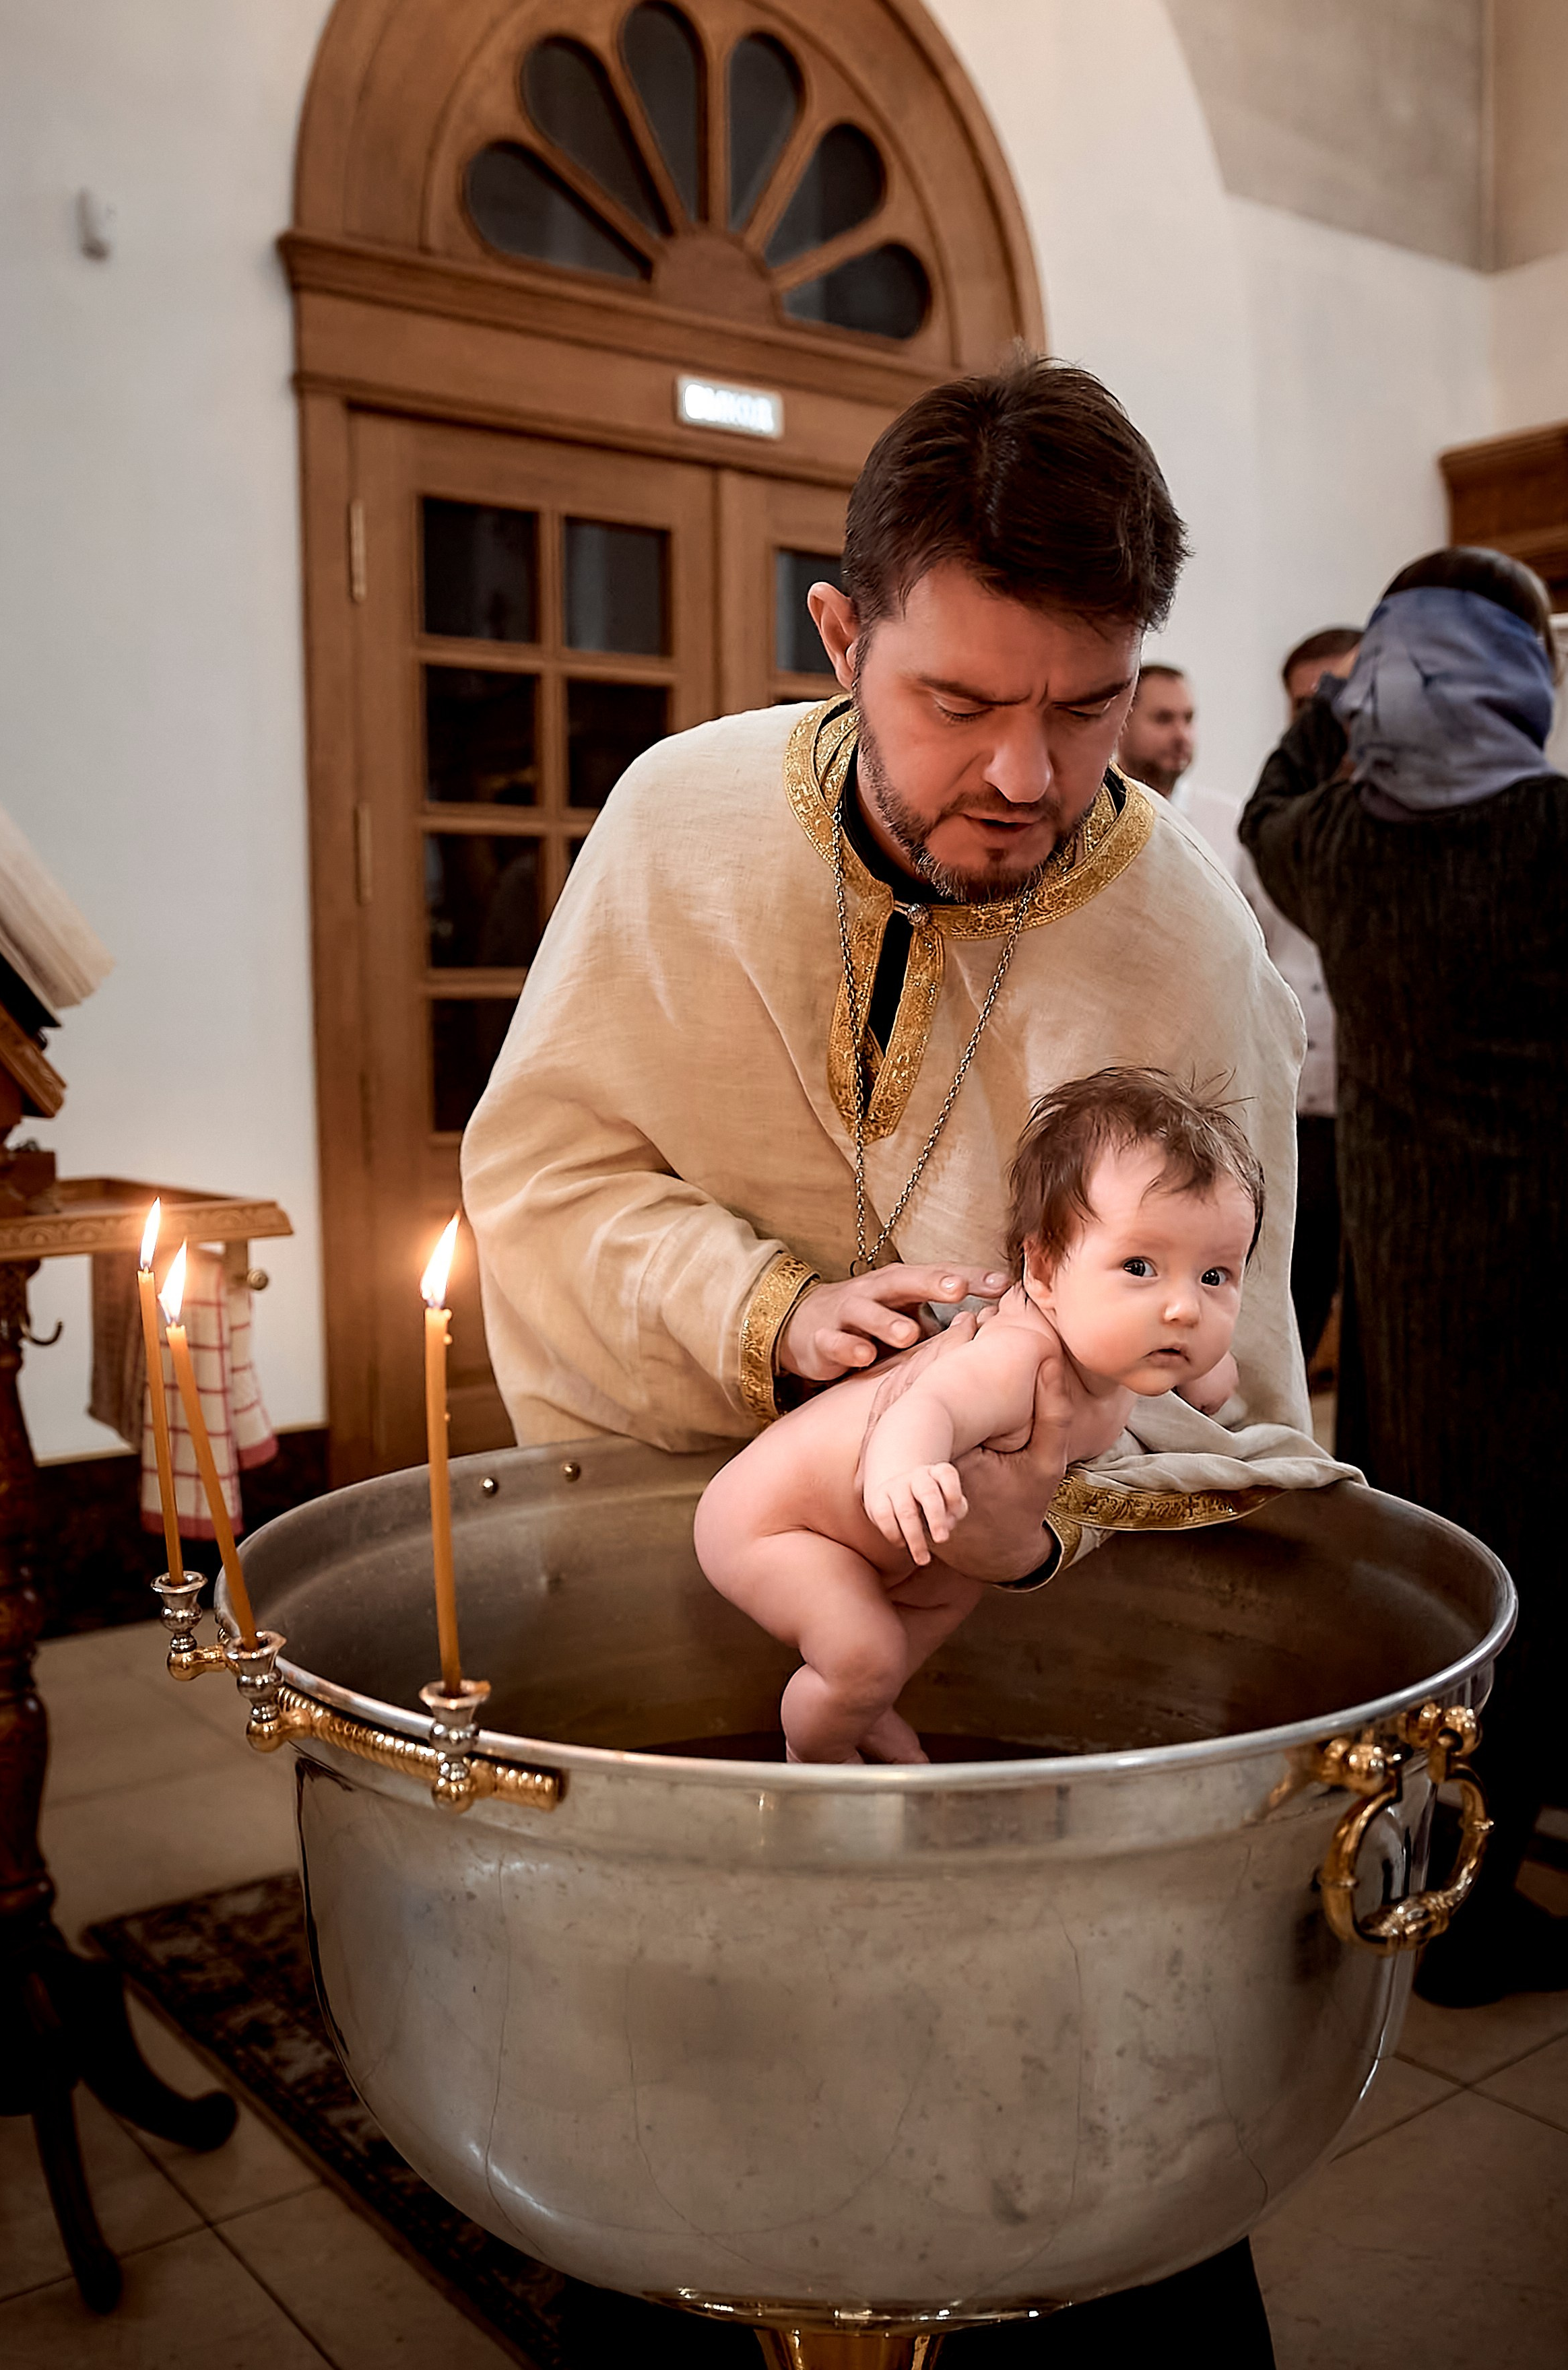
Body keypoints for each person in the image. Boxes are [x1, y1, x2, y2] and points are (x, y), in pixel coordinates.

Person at [465, 354, 1339, 2360]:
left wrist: (1092, 1494)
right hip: (714, 1596)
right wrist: (768, 1316)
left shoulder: (1185, 942)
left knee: (1080, 2200)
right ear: (840, 638)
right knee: (695, 2164)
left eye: (1083, 706)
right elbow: (546, 1183)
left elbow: (1226, 1379)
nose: (1024, 778)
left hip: (1032, 1662)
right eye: (956, 702)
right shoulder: (679, 828)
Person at [1240, 546, 1568, 2009]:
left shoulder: (1338, 849)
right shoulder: (1556, 830)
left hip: (1411, 1282)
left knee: (1456, 1572)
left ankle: (1435, 1859)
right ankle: (1477, 1915)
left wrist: (1349, 708)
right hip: (1553, 1269)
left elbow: (1262, 802)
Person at [698, 1070, 1274, 1765]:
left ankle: (863, 1709)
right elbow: (929, 1406)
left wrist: (1207, 1368)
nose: (1183, 1309)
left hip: (891, 1547)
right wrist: (902, 1468)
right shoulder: (1016, 1361)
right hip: (775, 1524)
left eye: (1215, 1276)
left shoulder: (1129, 1345)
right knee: (865, 1652)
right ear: (1045, 1269)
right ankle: (816, 1760)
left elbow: (1200, 1367)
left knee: (947, 1591)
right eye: (1141, 1267)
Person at [1235, 628, 1361, 1366]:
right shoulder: (1269, 833)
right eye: (1307, 706)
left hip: (1380, 1106)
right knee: (1291, 1300)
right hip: (1289, 1108)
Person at [1114, 661, 1195, 799]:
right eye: (1164, 719)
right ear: (1121, 723)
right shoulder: (1085, 811)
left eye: (1188, 719)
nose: (1182, 736)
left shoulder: (1224, 817)